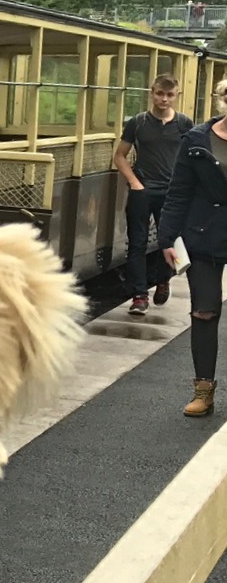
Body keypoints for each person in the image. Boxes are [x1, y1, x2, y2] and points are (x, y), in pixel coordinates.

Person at [159, 77, 227, 417]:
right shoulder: (196, 139)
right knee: (204, 310)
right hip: (203, 235)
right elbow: (179, 191)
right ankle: (204, 391)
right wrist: (167, 238)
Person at [115, 75, 191, 316]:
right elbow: (120, 156)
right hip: (142, 190)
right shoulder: (137, 123)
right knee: (136, 242)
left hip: (172, 193)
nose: (164, 99)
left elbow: (192, 157)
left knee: (168, 241)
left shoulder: (184, 124)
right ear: (152, 92)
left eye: (169, 95)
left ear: (176, 96)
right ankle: (139, 295)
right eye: (160, 93)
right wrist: (135, 182)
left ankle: (163, 279)